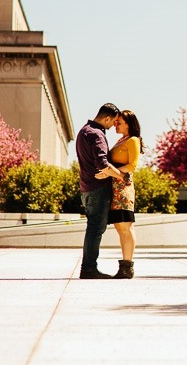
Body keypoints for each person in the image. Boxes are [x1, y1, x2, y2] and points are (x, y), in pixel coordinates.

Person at [95, 109, 142, 279]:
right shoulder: (121, 140)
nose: (115, 124)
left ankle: (127, 267)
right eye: (115, 122)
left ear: (129, 124)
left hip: (124, 187)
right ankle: (125, 266)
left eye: (119, 122)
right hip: (115, 187)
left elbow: (132, 166)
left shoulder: (133, 140)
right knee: (119, 226)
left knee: (125, 226)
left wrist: (108, 172)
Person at [75, 102, 120, 279]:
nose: (114, 125)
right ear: (107, 118)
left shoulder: (84, 131)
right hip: (98, 189)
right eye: (113, 122)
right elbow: (103, 164)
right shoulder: (97, 135)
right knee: (95, 229)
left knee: (92, 228)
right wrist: (121, 176)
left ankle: (88, 267)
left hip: (86, 188)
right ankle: (89, 269)